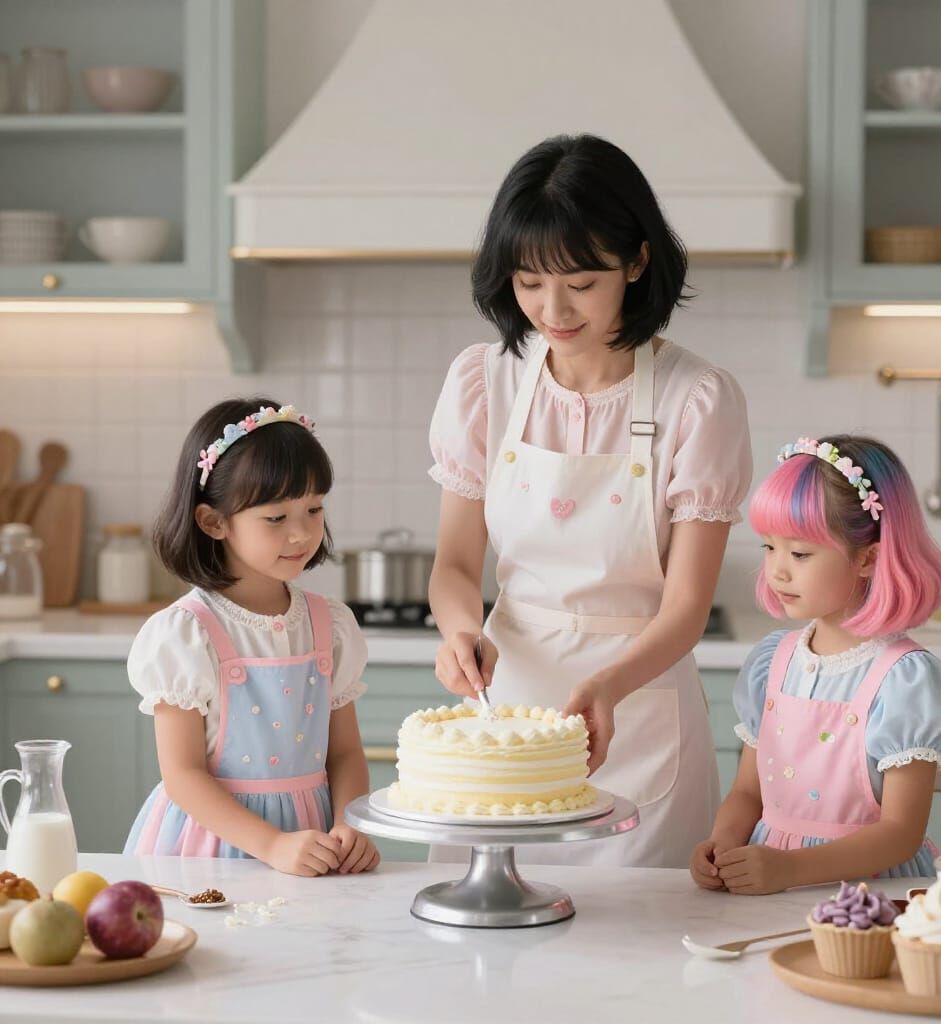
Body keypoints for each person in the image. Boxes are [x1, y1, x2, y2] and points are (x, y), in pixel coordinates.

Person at [427, 134, 753, 866]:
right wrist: (458, 631)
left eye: (580, 282)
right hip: (507, 722)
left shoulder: (697, 399)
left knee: (636, 962)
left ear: (637, 261)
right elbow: (454, 564)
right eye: (529, 282)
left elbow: (687, 608)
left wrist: (608, 685)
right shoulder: (485, 383)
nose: (553, 308)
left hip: (638, 717)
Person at [691, 435, 941, 894]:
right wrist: (722, 844)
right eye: (769, 548)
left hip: (869, 895)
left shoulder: (904, 680)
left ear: (868, 558)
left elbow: (901, 833)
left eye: (799, 553)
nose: (778, 570)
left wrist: (788, 869)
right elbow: (747, 793)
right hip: (767, 886)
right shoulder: (773, 663)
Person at [124, 398, 379, 876]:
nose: (302, 533)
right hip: (211, 848)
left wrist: (350, 823)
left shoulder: (330, 626)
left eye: (314, 508)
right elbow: (182, 775)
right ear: (214, 522)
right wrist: (272, 845)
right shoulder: (188, 634)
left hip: (311, 841)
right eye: (276, 518)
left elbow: (345, 753)